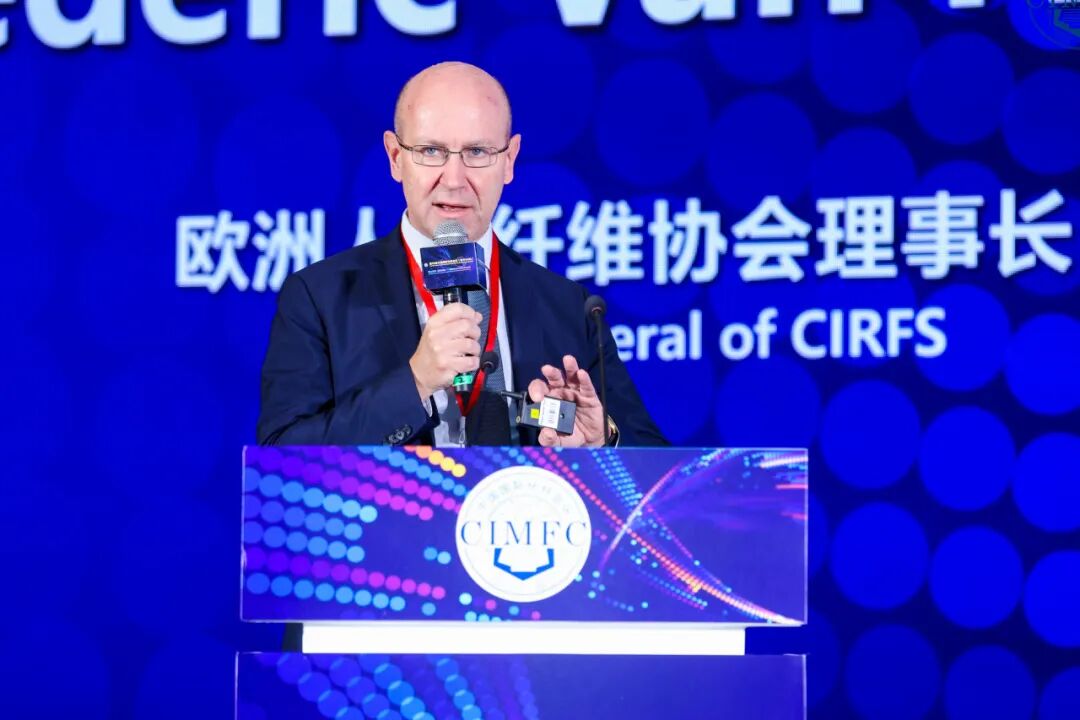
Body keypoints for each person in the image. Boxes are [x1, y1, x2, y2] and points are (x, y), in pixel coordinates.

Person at [257, 61, 665, 448]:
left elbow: (655, 464)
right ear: (396, 158)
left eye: (477, 153)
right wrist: (415, 381)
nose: (454, 180)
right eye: (431, 151)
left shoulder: (571, 307)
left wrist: (602, 441)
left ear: (509, 160)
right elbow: (282, 461)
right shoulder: (320, 297)